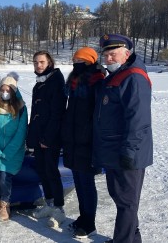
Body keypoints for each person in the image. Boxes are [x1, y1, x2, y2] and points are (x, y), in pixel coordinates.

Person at [94, 34, 153, 243]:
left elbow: (138, 119)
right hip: (114, 151)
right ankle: (130, 239)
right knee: (122, 200)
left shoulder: (133, 77)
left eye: (113, 54)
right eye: (106, 55)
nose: (108, 59)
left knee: (127, 203)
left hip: (127, 152)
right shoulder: (117, 76)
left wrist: (130, 151)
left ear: (126, 54)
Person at [61, 47, 106, 238]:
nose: (75, 63)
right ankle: (82, 217)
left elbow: (100, 114)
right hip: (73, 138)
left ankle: (90, 222)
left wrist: (92, 136)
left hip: (88, 140)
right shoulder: (73, 81)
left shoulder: (98, 81)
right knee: (78, 181)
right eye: (74, 60)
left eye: (79, 60)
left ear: (89, 61)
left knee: (87, 182)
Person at [26, 50, 67, 227]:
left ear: (49, 62)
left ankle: (59, 208)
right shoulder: (39, 83)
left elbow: (57, 113)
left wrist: (47, 138)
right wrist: (32, 137)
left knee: (51, 170)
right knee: (42, 170)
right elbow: (36, 113)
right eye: (35, 62)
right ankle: (49, 204)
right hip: (39, 134)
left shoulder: (56, 81)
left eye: (41, 62)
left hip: (51, 135)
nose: (38, 65)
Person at [0, 74, 27, 222]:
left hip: (13, 150)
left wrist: (9, 151)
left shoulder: (21, 107)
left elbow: (21, 132)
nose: (5, 92)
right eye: (2, 89)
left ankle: (5, 205)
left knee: (4, 177)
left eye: (8, 90)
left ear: (14, 91)